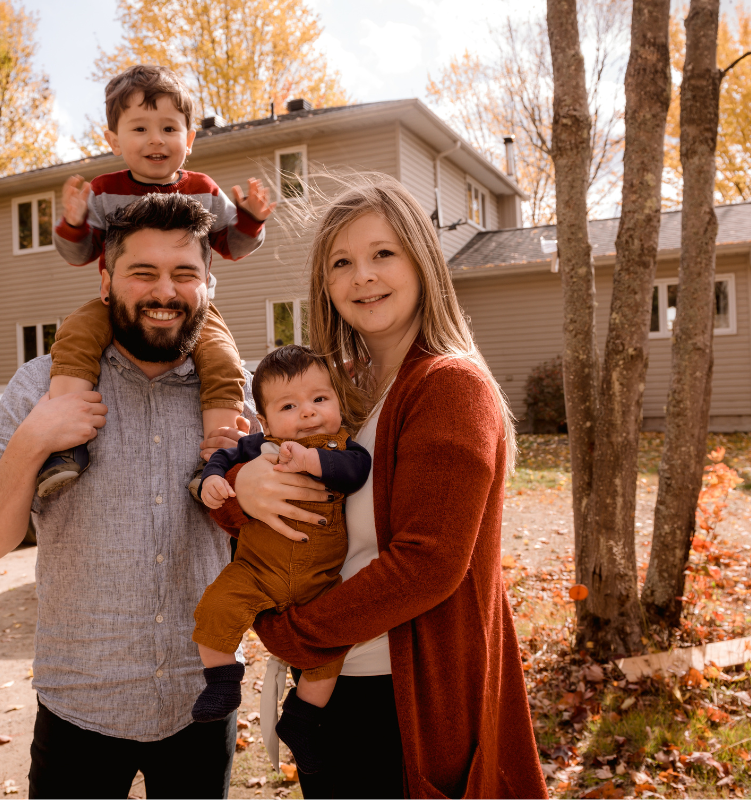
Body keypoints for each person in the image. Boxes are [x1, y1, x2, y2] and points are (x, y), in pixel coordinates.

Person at [210, 179, 549, 798]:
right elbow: (256, 485)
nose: (362, 276)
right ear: (325, 283)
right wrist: (242, 479)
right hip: (336, 690)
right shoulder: (337, 394)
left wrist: (290, 632)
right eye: (342, 262)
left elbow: (427, 565)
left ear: (421, 259)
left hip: (400, 701)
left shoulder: (448, 386)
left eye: (382, 254)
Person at [0, 193, 252, 800]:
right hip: (77, 710)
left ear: (208, 283)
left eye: (184, 274)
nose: (164, 292)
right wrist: (35, 437)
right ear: (105, 278)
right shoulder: (42, 384)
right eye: (143, 272)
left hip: (201, 702)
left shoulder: (238, 399)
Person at [39, 63, 275, 497]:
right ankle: (64, 446)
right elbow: (80, 254)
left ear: (189, 139)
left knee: (223, 361)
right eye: (140, 128)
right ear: (113, 140)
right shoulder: (104, 190)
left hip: (193, 314)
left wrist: (252, 219)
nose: (155, 139)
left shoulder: (203, 188)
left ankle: (217, 461)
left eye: (169, 128)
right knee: (74, 336)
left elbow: (231, 245)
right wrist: (74, 223)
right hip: (118, 306)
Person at [192, 345, 371, 775]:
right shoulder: (259, 446)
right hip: (257, 571)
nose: (308, 413)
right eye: (289, 405)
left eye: (319, 399)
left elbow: (356, 472)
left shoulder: (344, 447)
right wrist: (212, 479)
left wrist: (313, 459)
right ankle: (222, 681)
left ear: (337, 402)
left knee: (330, 653)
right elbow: (222, 455)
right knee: (214, 608)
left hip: (320, 582)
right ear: (266, 421)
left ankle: (301, 719)